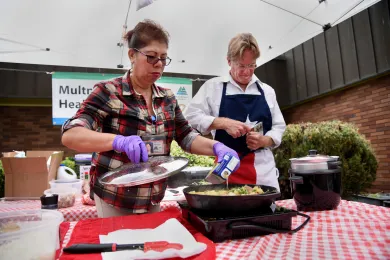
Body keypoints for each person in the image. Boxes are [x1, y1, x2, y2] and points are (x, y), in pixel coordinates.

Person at [61, 19, 239, 217]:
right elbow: (71, 134)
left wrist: (216, 148)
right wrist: (117, 141)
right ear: (132, 55)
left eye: (164, 58)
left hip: (153, 198)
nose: (159, 64)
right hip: (115, 199)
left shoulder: (168, 98)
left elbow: (186, 137)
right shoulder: (109, 92)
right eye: (152, 57)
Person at [184, 33, 286, 190]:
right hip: (227, 169)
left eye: (251, 65)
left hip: (263, 171)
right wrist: (223, 123)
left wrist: (264, 140)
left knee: (266, 211)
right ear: (229, 61)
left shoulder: (267, 91)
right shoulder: (213, 87)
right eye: (241, 66)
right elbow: (190, 116)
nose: (247, 72)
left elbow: (279, 127)